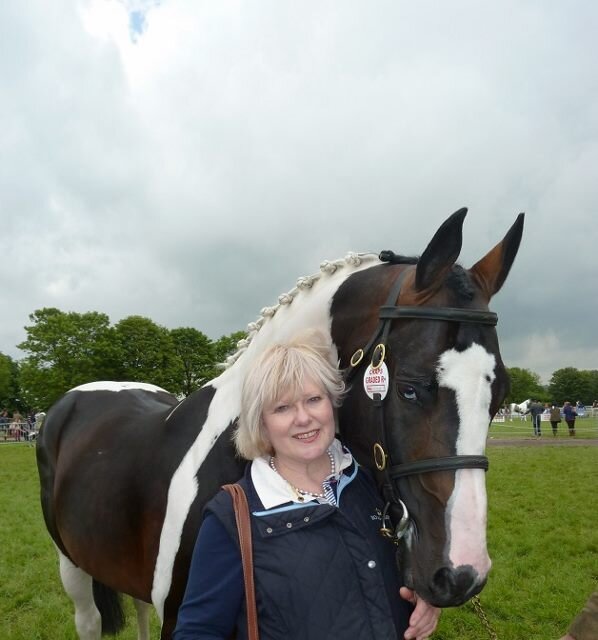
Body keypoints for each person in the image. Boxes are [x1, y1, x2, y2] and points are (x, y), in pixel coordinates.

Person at [174, 332, 441, 640]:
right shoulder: (232, 518)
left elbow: (415, 558)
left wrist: (426, 594)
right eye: (282, 408)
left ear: (332, 404)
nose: (303, 418)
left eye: (314, 399)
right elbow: (198, 631)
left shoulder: (372, 482)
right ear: (261, 423)